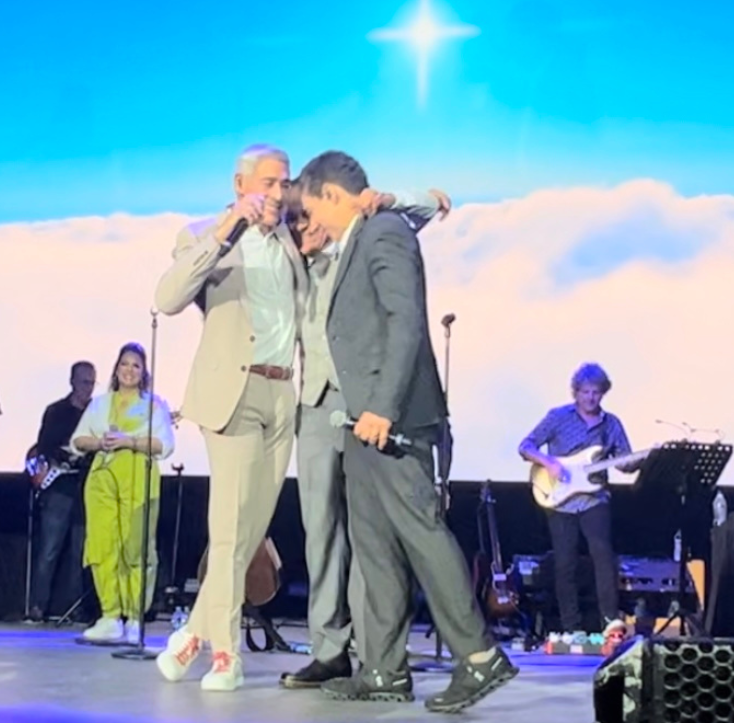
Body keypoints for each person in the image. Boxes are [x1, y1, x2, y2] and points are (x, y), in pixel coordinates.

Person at [296, 150, 517, 713]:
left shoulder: (385, 232)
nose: (311, 222)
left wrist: (385, 408)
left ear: (330, 195)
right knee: (373, 548)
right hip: (359, 423)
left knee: (420, 532)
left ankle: (479, 656)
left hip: (390, 420)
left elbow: (406, 323)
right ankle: (384, 671)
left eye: (312, 208)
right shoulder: (355, 240)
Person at [280, 185, 452, 689]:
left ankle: (372, 649)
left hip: (366, 404)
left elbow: (432, 206)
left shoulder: (362, 239)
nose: (306, 232)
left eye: (310, 221)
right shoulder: (290, 261)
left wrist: (387, 197)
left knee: (370, 532)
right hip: (315, 404)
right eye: (297, 226)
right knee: (322, 532)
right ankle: (329, 649)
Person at [153, 144, 308, 691]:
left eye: (285, 182)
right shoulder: (204, 232)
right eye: (269, 182)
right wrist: (227, 228)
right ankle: (226, 653)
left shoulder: (292, 236)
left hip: (283, 396)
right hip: (232, 394)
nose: (279, 192)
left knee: (248, 535)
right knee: (227, 532)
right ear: (241, 184)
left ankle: (192, 634)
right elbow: (167, 297)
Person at [518, 363, 639, 636]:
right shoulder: (558, 416)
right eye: (585, 392)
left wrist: (639, 461)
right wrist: (548, 462)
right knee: (565, 563)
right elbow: (525, 446)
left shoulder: (611, 424)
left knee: (603, 556)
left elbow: (625, 461)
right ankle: (571, 627)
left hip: (595, 498)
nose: (590, 398)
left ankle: (610, 621)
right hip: (560, 498)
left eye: (596, 392)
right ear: (576, 392)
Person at [69, 343, 175, 643]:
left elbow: (163, 445)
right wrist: (100, 443)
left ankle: (134, 618)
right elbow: (78, 439)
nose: (129, 370)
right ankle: (110, 616)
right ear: (116, 369)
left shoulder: (155, 405)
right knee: (103, 546)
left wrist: (130, 441)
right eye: (124, 364)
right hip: (102, 477)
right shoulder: (99, 404)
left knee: (136, 548)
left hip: (137, 477)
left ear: (144, 372)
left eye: (136, 365)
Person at [25, 360, 97, 622]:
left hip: (86, 489)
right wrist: (64, 454)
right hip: (60, 488)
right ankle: (38, 606)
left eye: (92, 382)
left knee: (81, 553)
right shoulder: (55, 411)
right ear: (72, 382)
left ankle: (75, 609)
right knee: (49, 550)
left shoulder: (97, 413)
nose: (88, 388)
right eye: (84, 382)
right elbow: (43, 446)